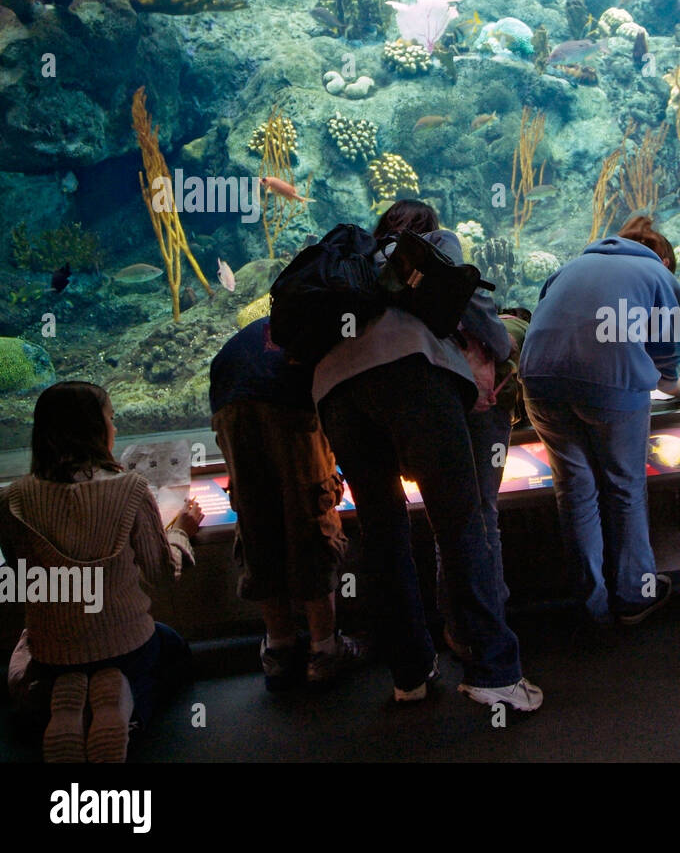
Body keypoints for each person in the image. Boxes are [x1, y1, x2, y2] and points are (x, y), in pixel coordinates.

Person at [312, 201, 541, 710]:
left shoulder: (352, 264)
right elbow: (472, 308)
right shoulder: (432, 246)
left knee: (384, 531)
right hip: (411, 377)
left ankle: (409, 673)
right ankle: (495, 673)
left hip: (335, 393)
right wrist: (503, 345)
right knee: (459, 523)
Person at [0, 382, 198, 762]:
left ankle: (60, 704)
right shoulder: (131, 489)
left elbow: (21, 575)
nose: (116, 428)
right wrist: (179, 534)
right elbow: (160, 573)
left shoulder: (13, 499)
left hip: (52, 652)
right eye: (110, 417)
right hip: (126, 644)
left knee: (32, 660)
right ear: (94, 428)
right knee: (173, 651)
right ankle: (128, 711)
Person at [520, 216, 680, 625]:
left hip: (538, 382)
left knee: (575, 490)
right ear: (663, 257)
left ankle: (589, 604)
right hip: (610, 385)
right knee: (625, 488)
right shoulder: (657, 274)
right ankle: (633, 594)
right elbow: (667, 363)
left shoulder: (569, 267)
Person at [210, 316, 363, 690]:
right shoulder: (341, 329)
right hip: (290, 403)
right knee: (310, 516)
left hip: (229, 402)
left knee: (255, 514)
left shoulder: (271, 328)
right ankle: (325, 651)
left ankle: (279, 649)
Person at [438, 306, 531, 662]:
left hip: (447, 407)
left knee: (449, 517)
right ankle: (491, 617)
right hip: (486, 414)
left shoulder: (454, 327)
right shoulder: (519, 328)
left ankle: (456, 622)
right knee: (484, 515)